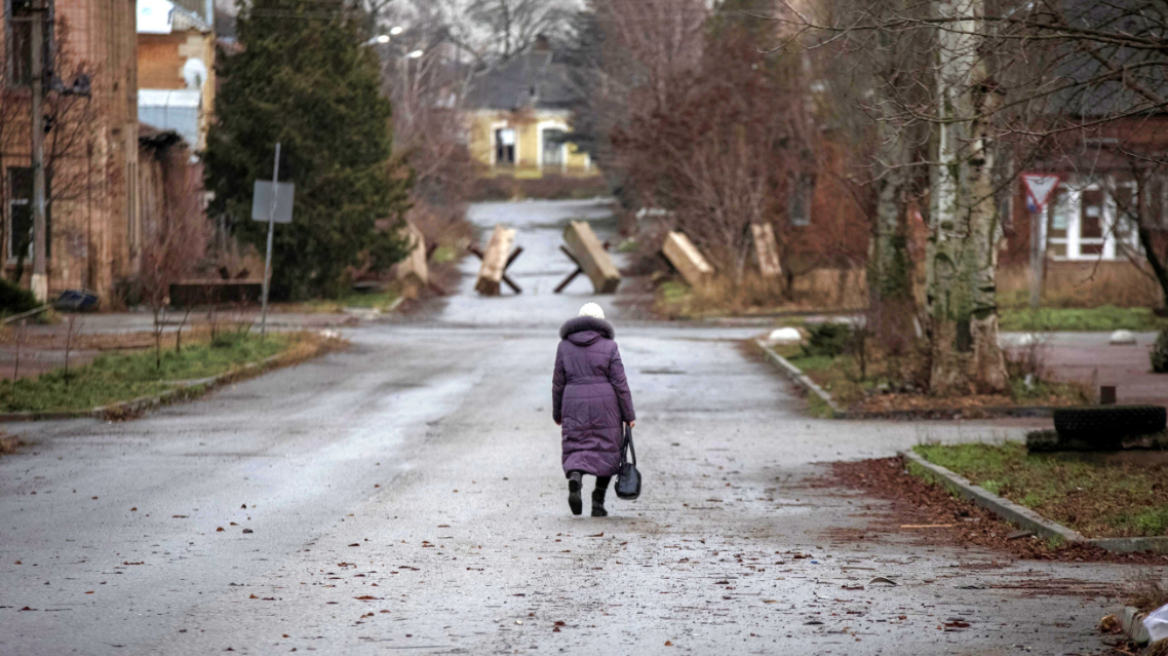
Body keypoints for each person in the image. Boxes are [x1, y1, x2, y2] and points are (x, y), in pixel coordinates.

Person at [552, 303, 636, 517]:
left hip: (574, 403)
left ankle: (576, 479)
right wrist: (629, 414)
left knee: (576, 447)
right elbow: (620, 383)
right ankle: (598, 502)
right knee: (606, 451)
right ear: (601, 321)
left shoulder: (564, 346)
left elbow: (558, 383)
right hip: (606, 406)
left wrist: (557, 412)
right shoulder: (609, 346)